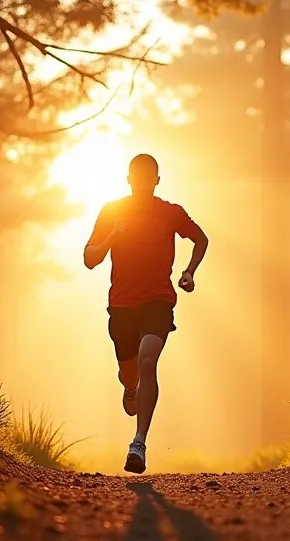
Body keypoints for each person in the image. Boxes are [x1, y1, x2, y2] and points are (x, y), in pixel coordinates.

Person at [83, 154, 209, 474]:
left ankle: (138, 442)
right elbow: (89, 259)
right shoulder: (112, 211)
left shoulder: (170, 213)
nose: (142, 183)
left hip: (158, 299)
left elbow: (201, 239)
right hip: (122, 305)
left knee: (148, 359)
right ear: (128, 180)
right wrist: (113, 235)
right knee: (131, 374)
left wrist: (189, 272)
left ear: (157, 180)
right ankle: (130, 388)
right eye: (136, 178)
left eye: (148, 177)